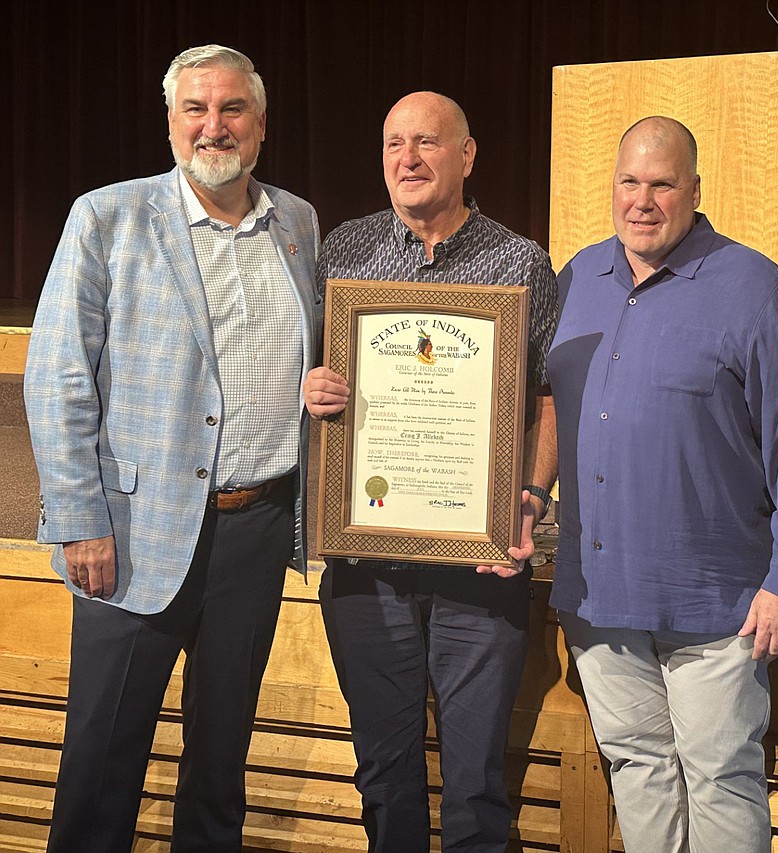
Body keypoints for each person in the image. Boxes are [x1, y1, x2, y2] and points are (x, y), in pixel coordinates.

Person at [23, 45, 321, 853]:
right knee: (101, 760)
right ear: (170, 122)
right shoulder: (107, 216)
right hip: (130, 533)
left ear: (260, 127)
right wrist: (80, 519)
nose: (213, 125)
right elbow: (57, 379)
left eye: (232, 110)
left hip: (254, 533)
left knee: (220, 762)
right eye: (197, 109)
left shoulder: (297, 222)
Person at [546, 116, 778, 853]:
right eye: (629, 182)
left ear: (695, 190)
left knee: (720, 775)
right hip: (600, 593)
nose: (643, 200)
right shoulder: (575, 278)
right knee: (636, 769)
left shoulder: (756, 288)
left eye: (662, 183)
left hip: (719, 599)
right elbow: (535, 407)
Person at [301, 91, 558, 853]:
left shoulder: (521, 261)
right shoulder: (343, 252)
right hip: (366, 558)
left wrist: (530, 500)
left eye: (426, 143)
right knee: (383, 775)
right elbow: (313, 375)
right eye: (393, 144)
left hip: (476, 561)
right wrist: (311, 388)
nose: (407, 159)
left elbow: (546, 399)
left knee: (477, 784)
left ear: (468, 156)